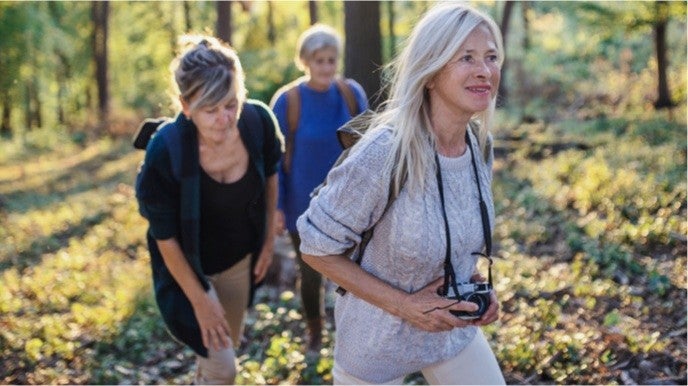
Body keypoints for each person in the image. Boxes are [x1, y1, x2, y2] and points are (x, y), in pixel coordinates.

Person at [296, 3, 506, 384]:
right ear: (430, 70)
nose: (484, 70)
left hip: (451, 333)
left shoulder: (479, 144)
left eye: (491, 57)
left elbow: (451, 231)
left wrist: (474, 283)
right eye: (467, 58)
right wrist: (406, 306)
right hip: (375, 347)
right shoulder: (385, 151)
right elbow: (314, 245)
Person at [135, 35, 283, 384]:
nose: (225, 118)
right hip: (186, 266)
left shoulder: (258, 122)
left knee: (221, 351)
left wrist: (266, 244)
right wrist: (201, 299)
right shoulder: (165, 150)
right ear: (186, 107)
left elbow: (271, 178)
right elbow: (165, 237)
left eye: (232, 103)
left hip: (238, 260)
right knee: (223, 368)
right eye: (211, 109)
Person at [269, 23, 368, 352]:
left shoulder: (351, 94)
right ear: (306, 61)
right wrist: (278, 207)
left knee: (354, 274)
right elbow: (275, 160)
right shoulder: (288, 101)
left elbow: (370, 147)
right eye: (319, 60)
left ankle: (353, 335)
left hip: (349, 201)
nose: (326, 67)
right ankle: (314, 331)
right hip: (303, 205)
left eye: (331, 60)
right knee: (311, 273)